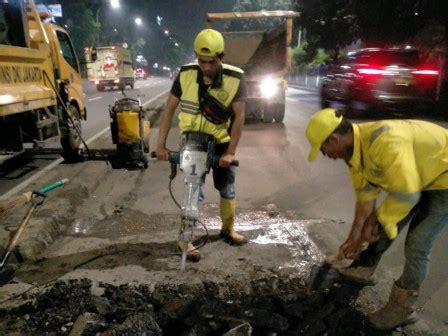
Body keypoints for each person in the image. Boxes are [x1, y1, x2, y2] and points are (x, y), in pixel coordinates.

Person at [305, 108, 448, 330]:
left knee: (417, 243)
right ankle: (364, 266)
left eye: (323, 149)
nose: (326, 154)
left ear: (333, 138)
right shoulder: (354, 154)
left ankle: (402, 308)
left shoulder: (385, 142)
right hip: (420, 174)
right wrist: (353, 239)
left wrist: (377, 220)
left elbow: (407, 195)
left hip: (444, 176)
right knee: (384, 220)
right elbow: (365, 200)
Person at [156, 28, 248, 262]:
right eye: (202, 61)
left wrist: (230, 152)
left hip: (220, 143)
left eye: (212, 62)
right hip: (193, 143)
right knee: (192, 193)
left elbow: (239, 117)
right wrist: (161, 145)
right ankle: (185, 238)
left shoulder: (235, 78)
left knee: (227, 189)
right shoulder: (186, 74)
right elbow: (168, 109)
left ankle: (228, 229)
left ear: (222, 57)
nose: (206, 67)